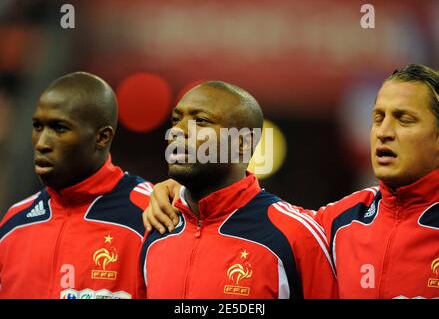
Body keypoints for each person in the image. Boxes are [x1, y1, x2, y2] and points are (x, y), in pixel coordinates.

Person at [144, 64, 439, 299]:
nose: (384, 131)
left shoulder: (319, 228)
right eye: (377, 117)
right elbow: (261, 219)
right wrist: (179, 189)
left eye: (404, 119)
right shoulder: (340, 221)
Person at [139, 81, 338, 299]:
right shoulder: (157, 225)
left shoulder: (295, 235)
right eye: (176, 120)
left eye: (201, 121)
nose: (177, 131)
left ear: (242, 143)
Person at [0, 72, 152, 299]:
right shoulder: (14, 223)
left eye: (59, 128)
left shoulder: (150, 215)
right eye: (38, 126)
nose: (42, 143)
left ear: (102, 137)